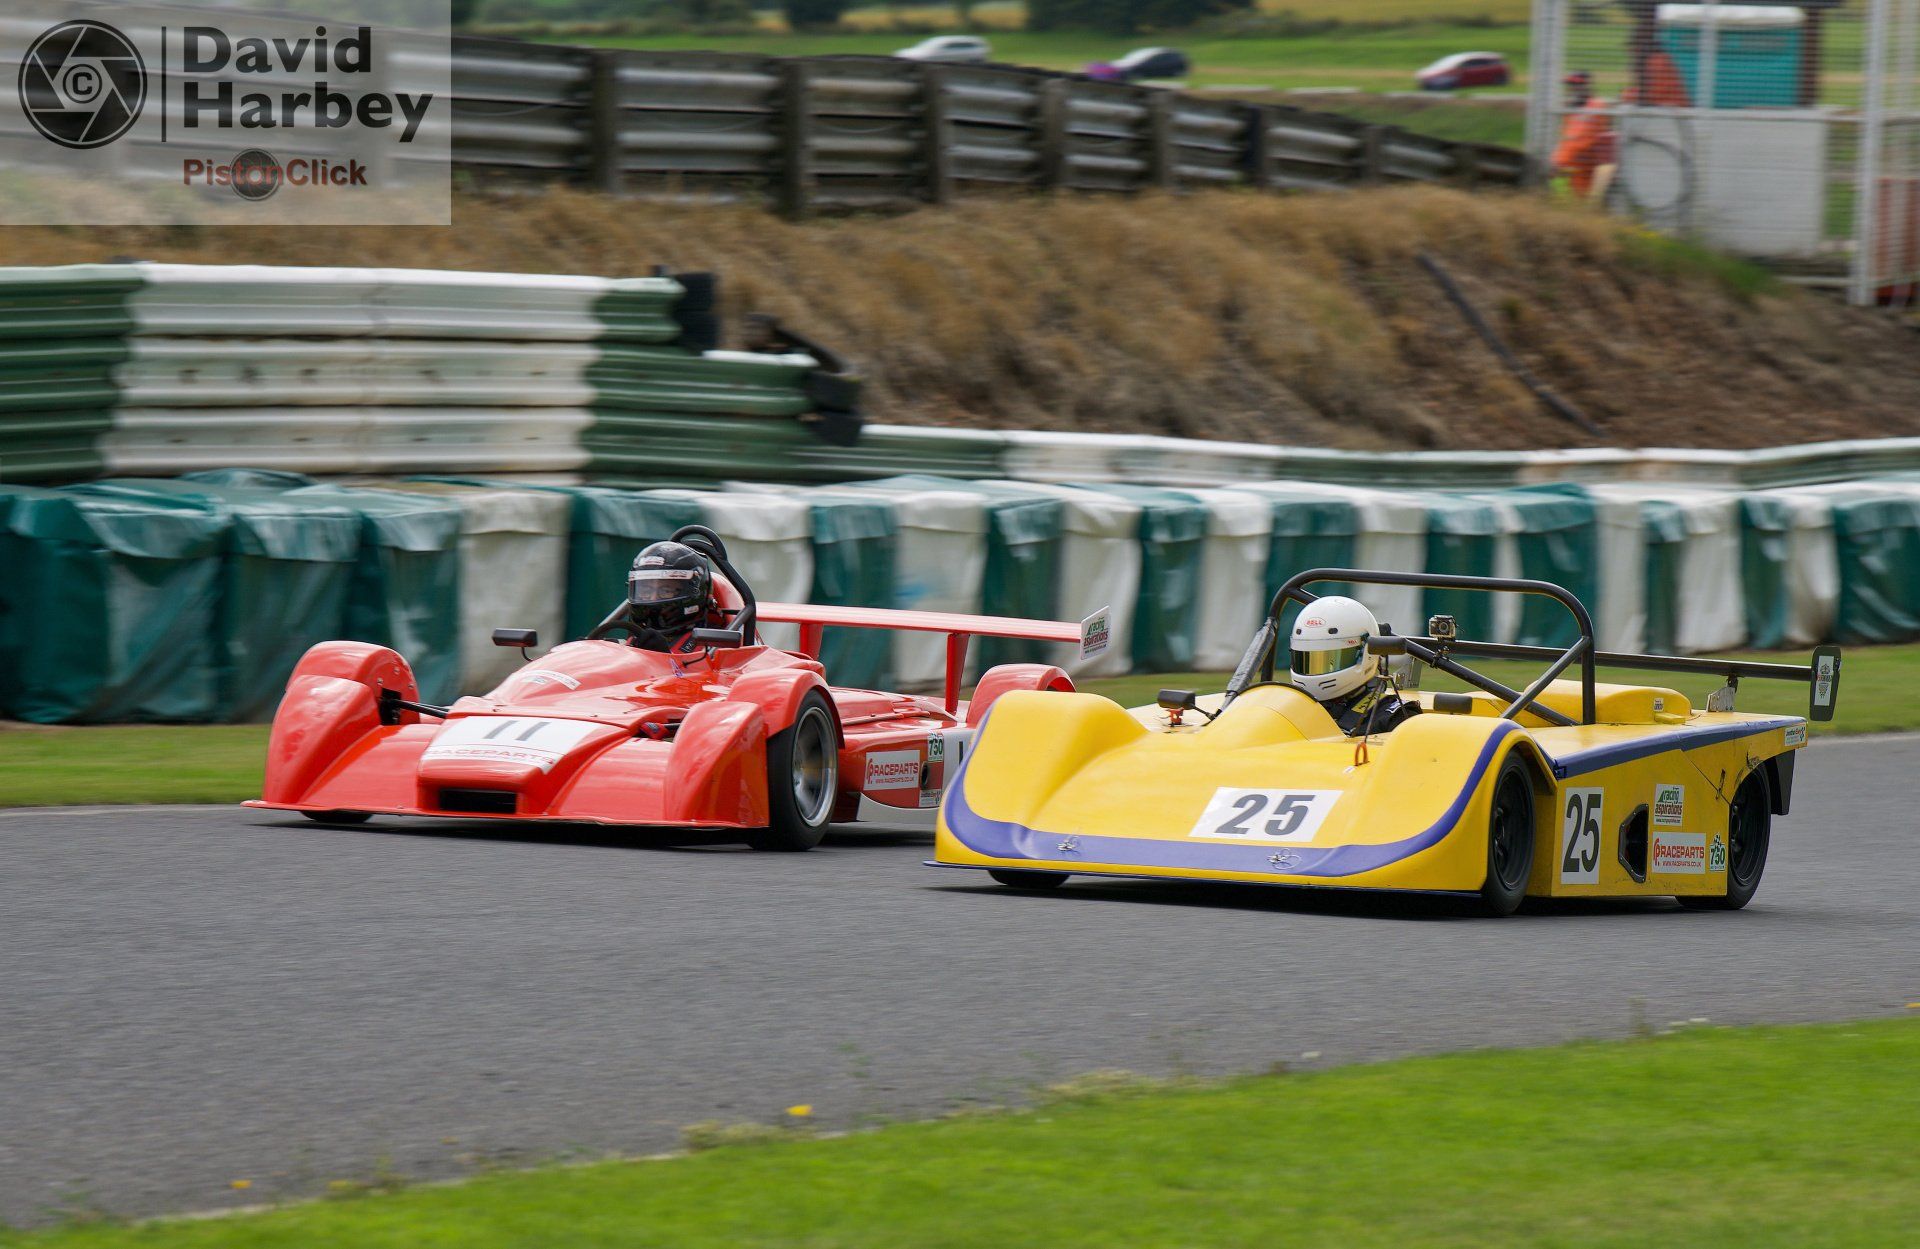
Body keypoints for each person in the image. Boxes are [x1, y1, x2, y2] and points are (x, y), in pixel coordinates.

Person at [1288, 595, 1421, 737]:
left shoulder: (1395, 720)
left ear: (1367, 653)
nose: (1314, 674)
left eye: (1331, 660)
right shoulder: (1287, 712)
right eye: (1307, 660)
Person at [625, 540, 715, 652]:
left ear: (694, 594)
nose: (653, 599)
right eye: (645, 591)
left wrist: (663, 658)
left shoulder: (714, 647)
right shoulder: (632, 642)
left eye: (666, 591)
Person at [1552, 71, 1616, 199]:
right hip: (1565, 169)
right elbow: (1566, 138)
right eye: (1571, 85)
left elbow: (1602, 135)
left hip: (1585, 166)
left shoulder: (1597, 105)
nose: (1573, 89)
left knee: (1581, 197)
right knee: (1563, 198)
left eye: (1577, 85)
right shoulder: (1569, 109)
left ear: (1587, 86)